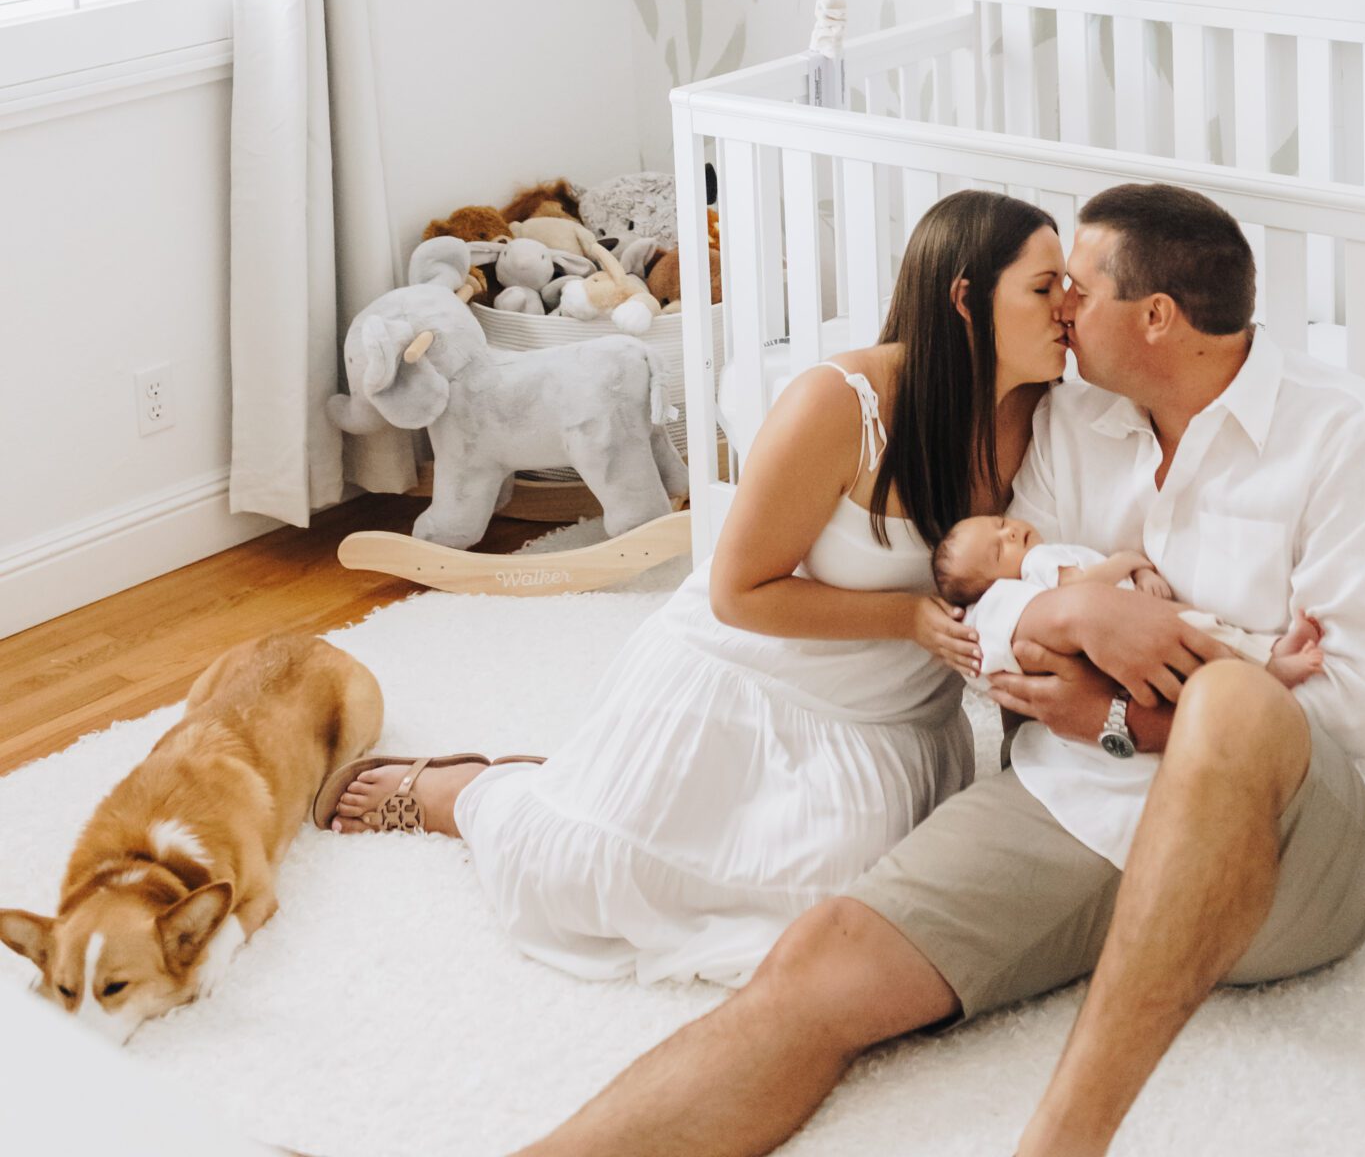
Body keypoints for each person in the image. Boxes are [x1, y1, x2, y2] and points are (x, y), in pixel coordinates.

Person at [504, 180, 1365, 1157]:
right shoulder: (1071, 419)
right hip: (1073, 803)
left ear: (1156, 316)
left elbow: (1352, 712)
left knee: (1238, 706)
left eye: (1079, 287)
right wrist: (1068, 607)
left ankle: (1062, 1143)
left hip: (1286, 852)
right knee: (819, 964)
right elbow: (985, 607)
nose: (1064, 309)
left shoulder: (1346, 439)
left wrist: (1116, 714)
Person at [323, 190, 1078, 988]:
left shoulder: (1045, 413)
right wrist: (910, 618)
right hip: (747, 680)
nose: (1067, 306)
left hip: (885, 722)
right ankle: (471, 791)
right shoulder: (843, 403)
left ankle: (572, 780)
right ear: (964, 299)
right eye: (1043, 287)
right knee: (588, 883)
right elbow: (738, 592)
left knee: (830, 920)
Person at [932, 510, 1328, 688]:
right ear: (996, 588)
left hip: (1138, 612)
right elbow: (1083, 589)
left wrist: (1140, 574)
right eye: (998, 552)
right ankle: (1276, 673)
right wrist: (1128, 561)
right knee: (1210, 644)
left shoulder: (1044, 553)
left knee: (1214, 630)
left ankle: (1277, 649)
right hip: (1138, 624)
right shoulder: (1036, 566)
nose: (1011, 535)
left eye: (1001, 525)